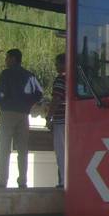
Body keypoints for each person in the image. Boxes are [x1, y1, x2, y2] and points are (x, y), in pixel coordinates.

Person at [0, 48, 43, 188]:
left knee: (4, 148)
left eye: (7, 58)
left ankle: (2, 180)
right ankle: (22, 181)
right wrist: (28, 104)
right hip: (23, 115)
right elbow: (39, 93)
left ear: (13, 59)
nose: (5, 61)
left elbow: (0, 94)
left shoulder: (7, 74)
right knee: (23, 150)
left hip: (7, 113)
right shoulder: (29, 75)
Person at [46, 53, 66, 188]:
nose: (56, 66)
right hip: (72, 120)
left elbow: (56, 99)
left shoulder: (60, 80)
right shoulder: (76, 79)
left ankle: (64, 181)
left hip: (60, 120)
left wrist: (49, 116)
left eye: (57, 63)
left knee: (61, 152)